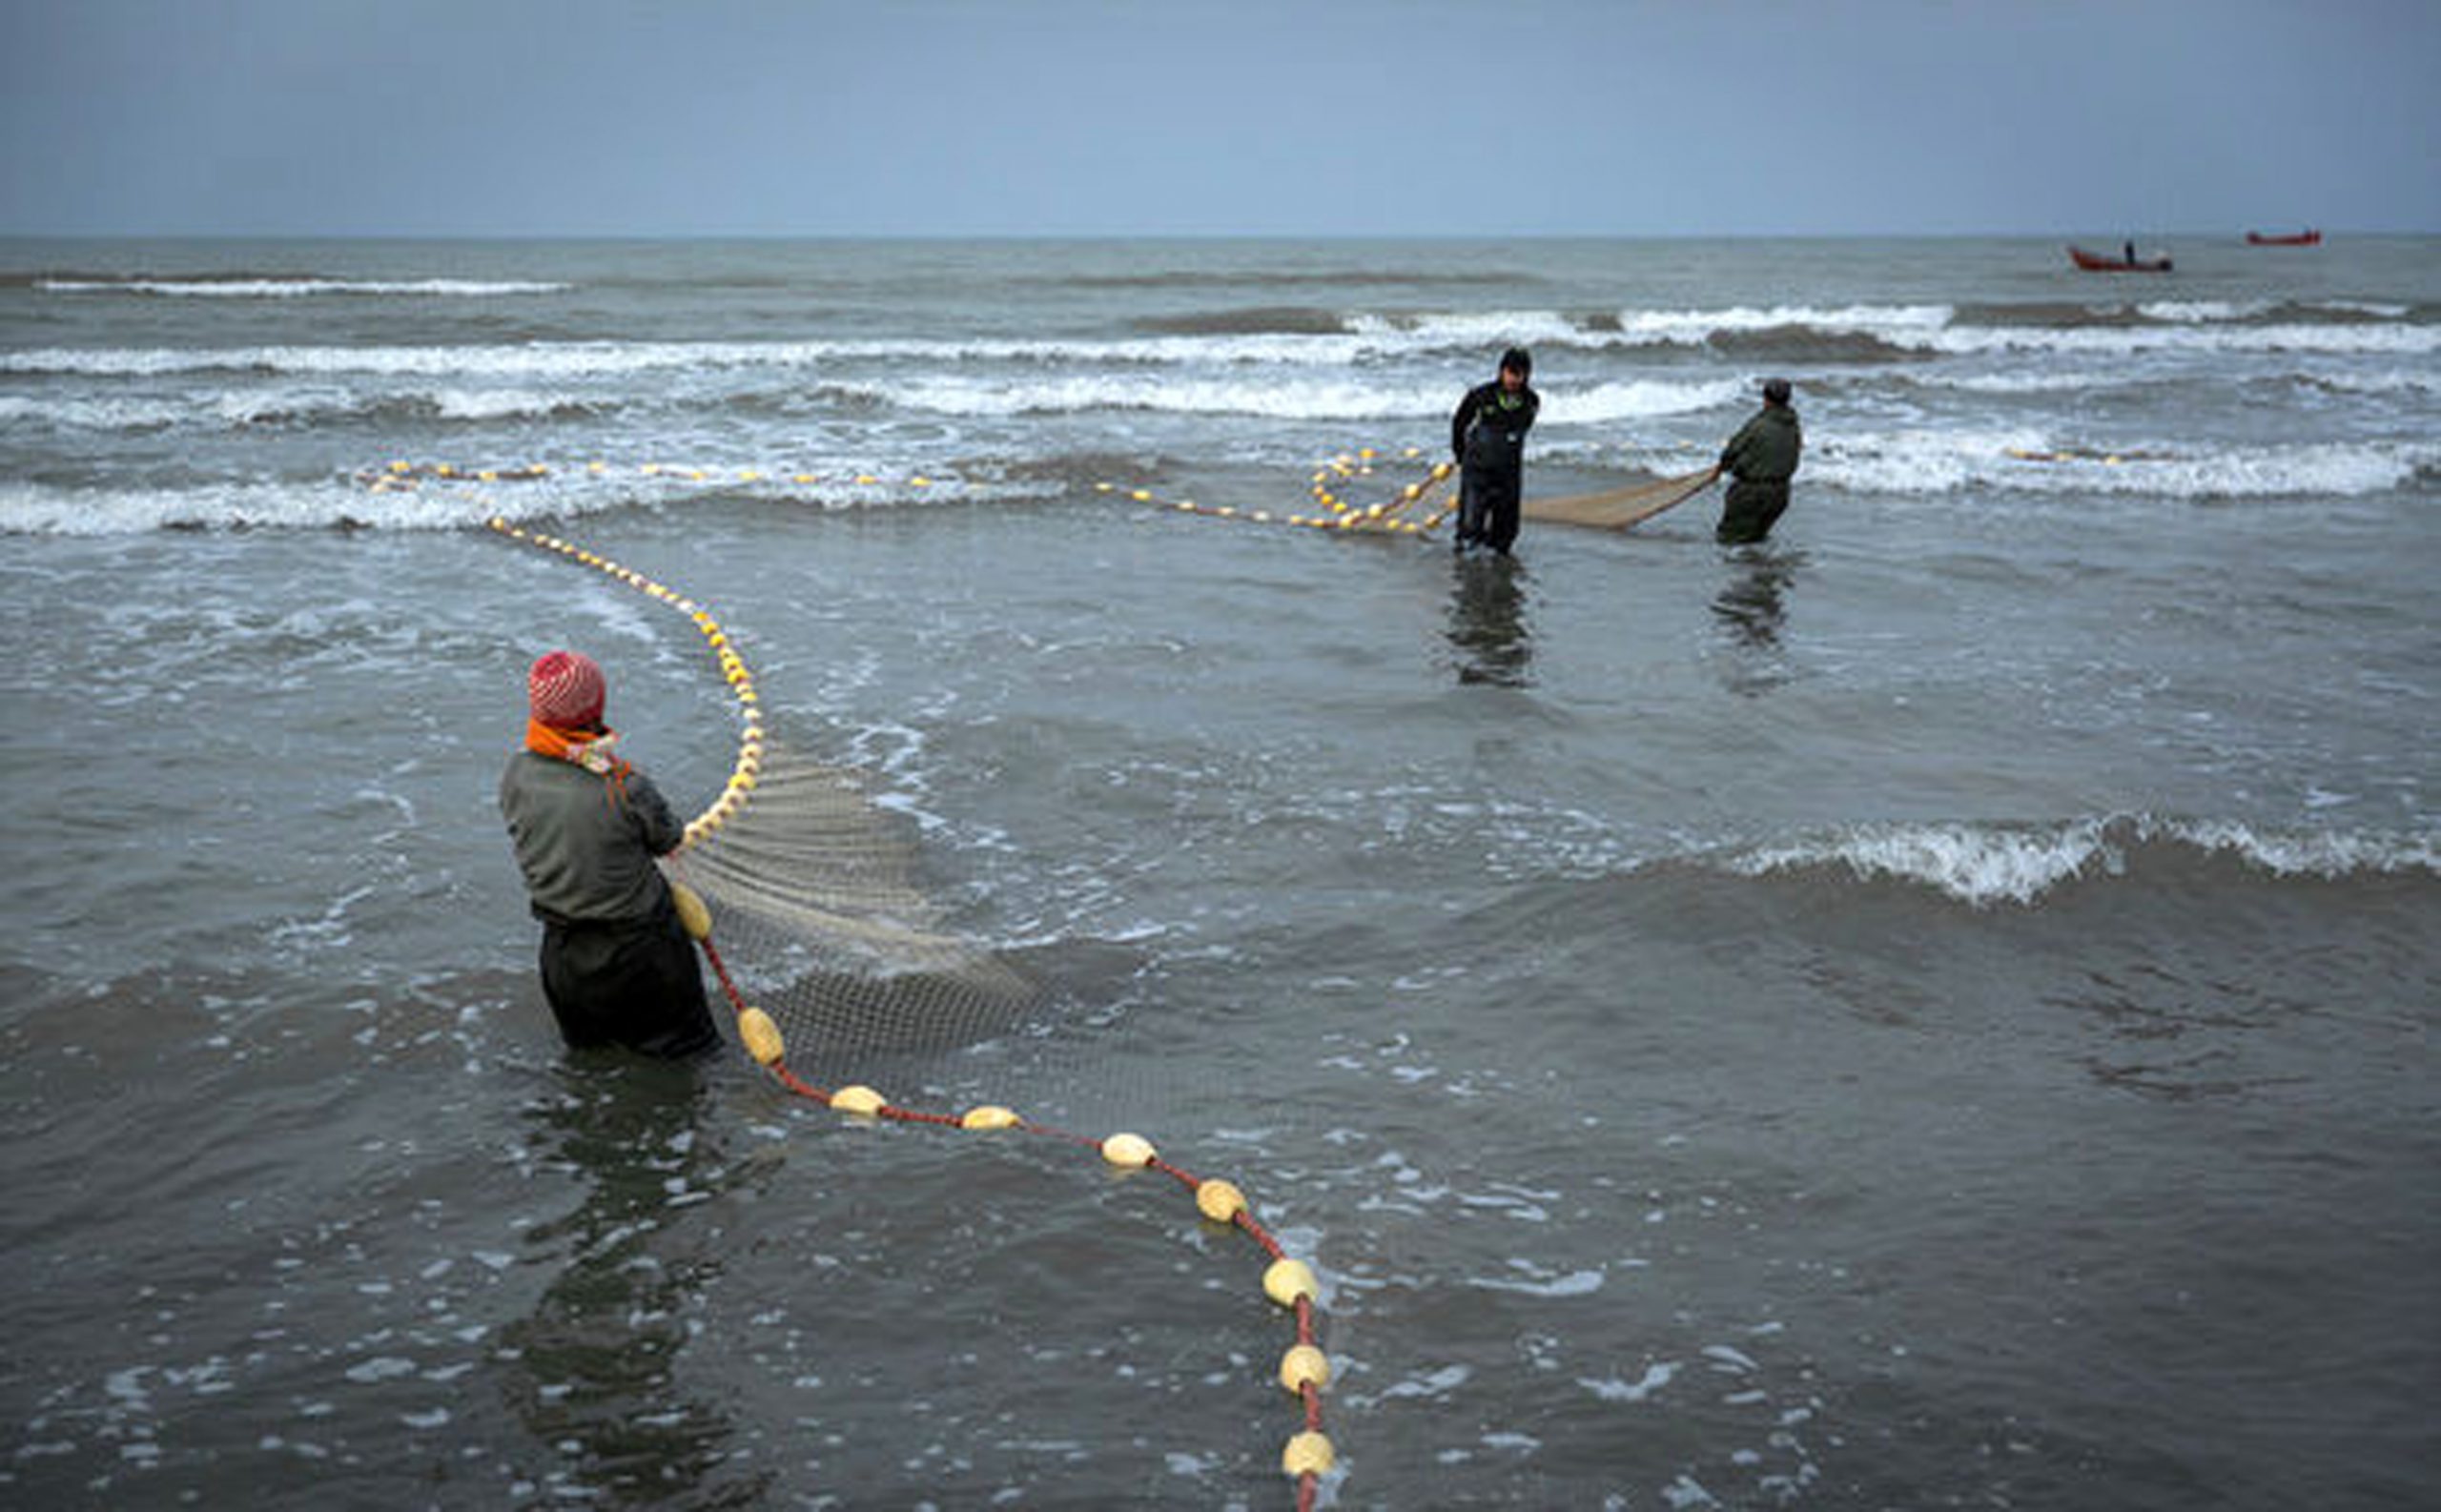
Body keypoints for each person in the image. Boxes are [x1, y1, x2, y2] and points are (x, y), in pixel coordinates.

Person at [500, 649, 721, 1058]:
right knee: (690, 1062)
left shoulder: (515, 774)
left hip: (564, 961)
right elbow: (668, 840)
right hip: (641, 957)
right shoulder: (624, 786)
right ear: (596, 706)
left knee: (591, 1064)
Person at [1449, 346, 1540, 555]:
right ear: (1501, 371)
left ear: (1526, 375)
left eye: (1519, 374)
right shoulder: (1481, 395)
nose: (1513, 379)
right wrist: (1460, 454)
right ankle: (1466, 566)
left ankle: (1498, 569)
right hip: (1477, 469)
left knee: (1506, 531)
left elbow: (1524, 428)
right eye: (1510, 372)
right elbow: (1459, 423)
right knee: (1470, 526)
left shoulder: (1531, 401)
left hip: (1509, 472)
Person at [1716, 377, 1803, 544]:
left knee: (1730, 540)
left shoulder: (1758, 424)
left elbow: (1730, 453)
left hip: (1751, 494)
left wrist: (1724, 466)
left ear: (1766, 399)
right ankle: (1763, 568)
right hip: (1780, 494)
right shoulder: (1793, 424)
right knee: (1757, 539)